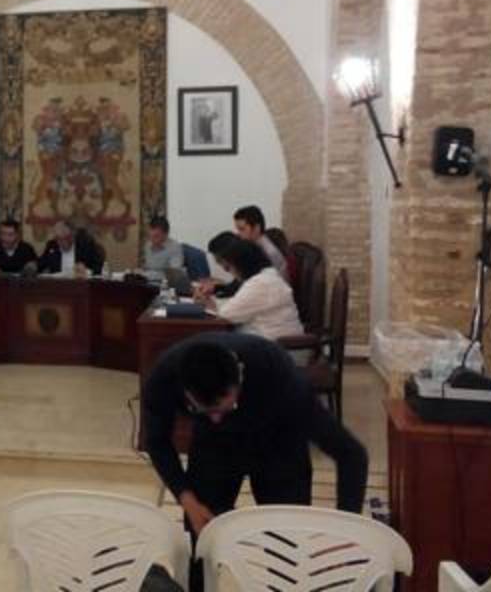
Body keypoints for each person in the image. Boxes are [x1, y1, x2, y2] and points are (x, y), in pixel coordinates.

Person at [142, 332, 367, 592]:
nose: (216, 418)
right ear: (185, 391)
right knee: (202, 541)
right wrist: (186, 498)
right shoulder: (164, 377)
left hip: (279, 440)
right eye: (204, 410)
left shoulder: (282, 380)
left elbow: (352, 454)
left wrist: (346, 529)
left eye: (225, 408)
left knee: (287, 550)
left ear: (238, 378)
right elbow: (156, 442)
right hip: (214, 445)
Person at [198, 238, 304, 341]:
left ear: (242, 265)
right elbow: (238, 305)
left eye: (230, 267)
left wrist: (208, 303)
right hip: (277, 341)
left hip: (275, 345)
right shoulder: (267, 276)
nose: (230, 271)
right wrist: (213, 304)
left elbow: (226, 315)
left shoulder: (259, 283)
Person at [233, 205, 289, 277]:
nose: (238, 234)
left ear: (256, 228)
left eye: (242, 229)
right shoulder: (253, 247)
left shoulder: (268, 252)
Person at [37, 220, 104, 276]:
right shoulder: (52, 245)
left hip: (81, 284)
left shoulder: (85, 245)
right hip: (57, 285)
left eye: (66, 238)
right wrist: (34, 267)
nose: (62, 242)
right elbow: (40, 264)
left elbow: (98, 267)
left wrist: (86, 271)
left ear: (73, 235)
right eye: (59, 239)